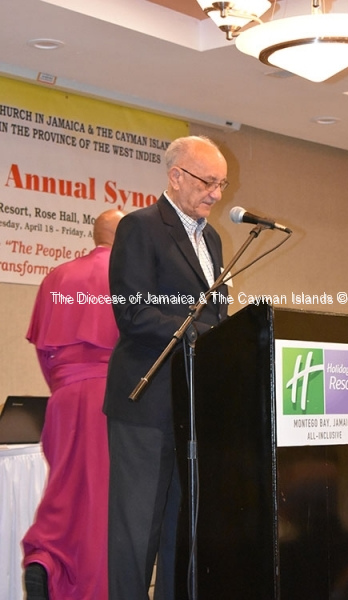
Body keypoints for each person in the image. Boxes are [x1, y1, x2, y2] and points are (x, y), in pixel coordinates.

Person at [103, 135, 230, 600]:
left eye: (222, 184)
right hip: (146, 401)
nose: (216, 193)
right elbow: (134, 312)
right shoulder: (140, 227)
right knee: (136, 534)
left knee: (183, 531)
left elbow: (215, 311)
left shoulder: (212, 238)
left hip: (192, 404)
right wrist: (204, 334)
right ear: (176, 176)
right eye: (208, 182)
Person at [23, 209, 125, 600]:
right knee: (100, 506)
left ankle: (45, 560)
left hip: (63, 399)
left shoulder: (56, 277)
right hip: (110, 397)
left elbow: (43, 352)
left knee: (64, 492)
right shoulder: (128, 275)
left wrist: (65, 388)